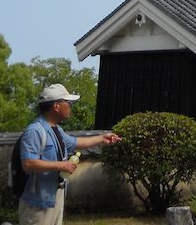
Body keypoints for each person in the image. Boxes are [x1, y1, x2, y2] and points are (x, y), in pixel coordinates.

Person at [18, 83, 122, 225]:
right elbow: (28, 164)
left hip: (55, 196)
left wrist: (102, 138)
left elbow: (75, 142)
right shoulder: (35, 131)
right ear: (56, 106)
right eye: (68, 102)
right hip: (36, 203)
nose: (70, 106)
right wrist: (60, 165)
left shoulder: (56, 130)